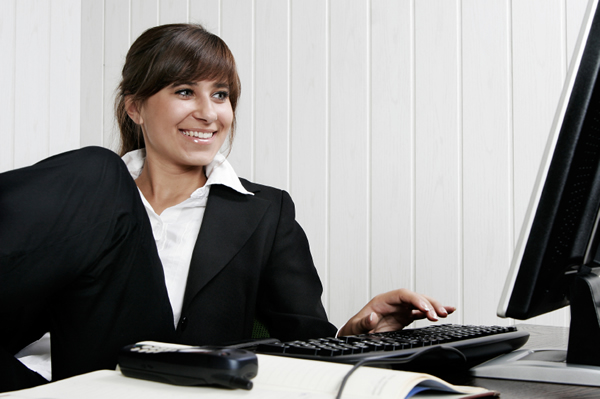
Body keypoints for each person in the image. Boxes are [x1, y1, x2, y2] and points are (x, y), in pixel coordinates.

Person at [0, 23, 454, 392]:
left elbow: (306, 344)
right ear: (135, 108)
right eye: (184, 92)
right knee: (97, 171)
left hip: (165, 383)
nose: (209, 113)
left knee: (95, 169)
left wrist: (359, 333)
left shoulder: (264, 213)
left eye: (220, 95)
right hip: (55, 385)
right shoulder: (87, 198)